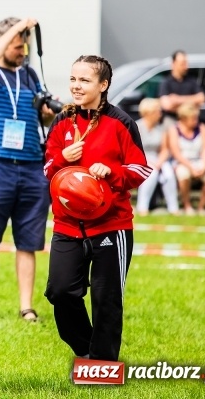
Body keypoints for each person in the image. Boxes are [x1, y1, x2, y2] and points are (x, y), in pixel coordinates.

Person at [43, 54, 150, 363]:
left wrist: (112, 172)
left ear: (103, 85)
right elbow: (47, 168)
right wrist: (64, 157)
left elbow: (141, 170)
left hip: (111, 226)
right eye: (73, 79)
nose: (76, 86)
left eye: (85, 80)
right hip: (66, 225)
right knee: (60, 292)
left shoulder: (121, 122)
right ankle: (86, 349)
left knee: (107, 300)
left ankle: (101, 364)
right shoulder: (62, 122)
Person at [0, 16, 53, 322]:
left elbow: (41, 117)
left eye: (25, 45)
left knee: (29, 240)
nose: (23, 51)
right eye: (18, 45)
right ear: (3, 42)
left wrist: (46, 113)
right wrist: (17, 29)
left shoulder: (30, 75)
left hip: (31, 165)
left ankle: (26, 306)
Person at [167, 102, 205, 215]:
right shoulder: (174, 129)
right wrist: (190, 167)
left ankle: (201, 206)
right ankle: (187, 204)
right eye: (193, 118)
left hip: (199, 161)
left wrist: (204, 165)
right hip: (182, 162)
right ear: (184, 119)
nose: (196, 120)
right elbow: (176, 153)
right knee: (183, 175)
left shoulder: (202, 128)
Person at [134, 98, 179, 216]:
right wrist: (151, 162)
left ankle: (173, 208)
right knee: (151, 174)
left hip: (157, 158)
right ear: (149, 112)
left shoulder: (161, 128)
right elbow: (134, 149)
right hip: (140, 159)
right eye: (157, 111)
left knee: (168, 173)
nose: (160, 113)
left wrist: (160, 162)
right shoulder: (136, 127)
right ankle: (142, 207)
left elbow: (164, 149)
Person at [158, 50, 205, 119]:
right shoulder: (166, 82)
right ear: (173, 64)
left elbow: (201, 99)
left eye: (186, 63)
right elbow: (167, 105)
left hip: (190, 120)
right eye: (182, 64)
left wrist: (177, 99)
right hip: (172, 120)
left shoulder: (192, 81)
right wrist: (192, 102)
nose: (186, 67)